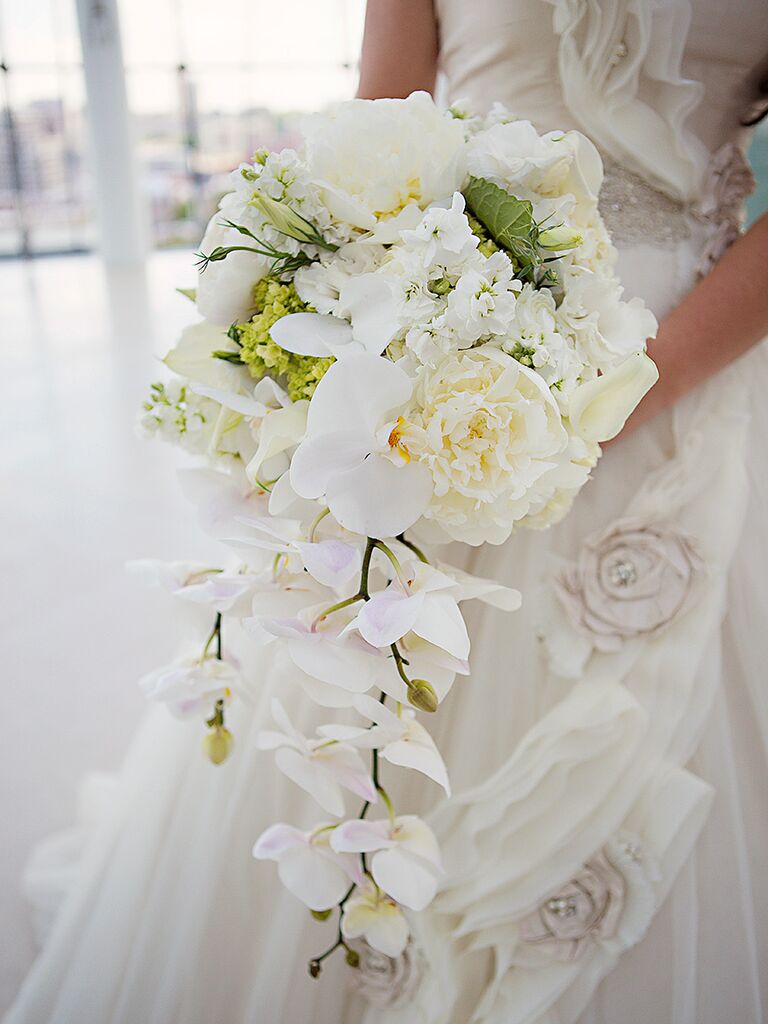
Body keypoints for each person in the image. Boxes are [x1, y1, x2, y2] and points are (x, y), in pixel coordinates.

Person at [6, 2, 768, 1022]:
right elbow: (384, 116)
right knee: (365, 686)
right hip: (446, 330)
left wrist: (625, 390)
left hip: (696, 358)